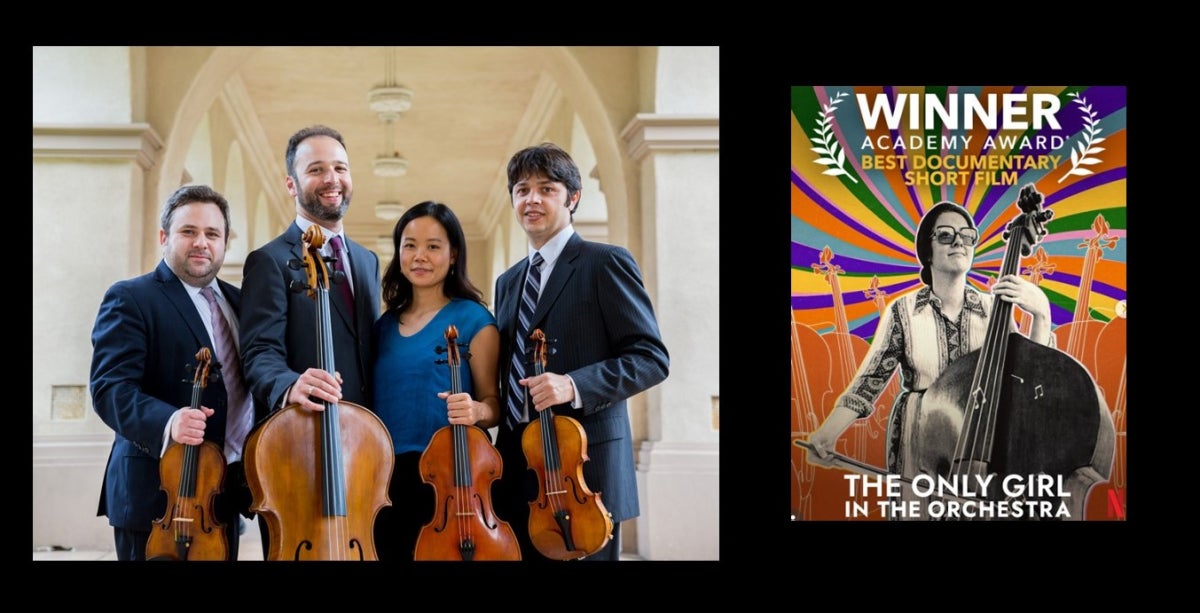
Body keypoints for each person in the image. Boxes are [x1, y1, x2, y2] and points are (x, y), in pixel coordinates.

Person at [805, 197, 1096, 519]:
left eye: (967, 235)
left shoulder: (993, 308)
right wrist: (827, 433)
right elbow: (869, 383)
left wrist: (1042, 315)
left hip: (984, 438)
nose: (959, 242)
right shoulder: (903, 311)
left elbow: (1026, 378)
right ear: (927, 250)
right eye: (945, 235)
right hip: (922, 439)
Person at [493, 143, 670, 561]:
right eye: (521, 190)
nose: (531, 199)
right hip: (520, 463)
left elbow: (651, 358)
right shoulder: (508, 281)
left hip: (585, 470)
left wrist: (573, 384)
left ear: (573, 198)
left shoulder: (605, 262)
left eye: (546, 189)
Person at [90, 184, 254, 560]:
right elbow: (110, 389)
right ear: (165, 237)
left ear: (225, 242)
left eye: (212, 234)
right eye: (188, 231)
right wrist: (169, 421)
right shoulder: (131, 297)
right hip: (156, 495)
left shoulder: (240, 303)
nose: (201, 242)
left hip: (219, 496)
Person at [239, 125, 382, 556]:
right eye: (316, 169)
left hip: (360, 449)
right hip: (298, 447)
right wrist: (289, 385)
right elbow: (259, 352)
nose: (332, 179)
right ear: (291, 183)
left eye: (340, 167)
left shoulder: (366, 260)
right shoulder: (269, 261)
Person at [370, 201, 502, 560]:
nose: (419, 256)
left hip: (448, 475)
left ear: (453, 253)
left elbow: (495, 404)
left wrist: (475, 410)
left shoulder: (475, 319)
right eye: (410, 245)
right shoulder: (382, 327)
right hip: (384, 480)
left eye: (433, 246)